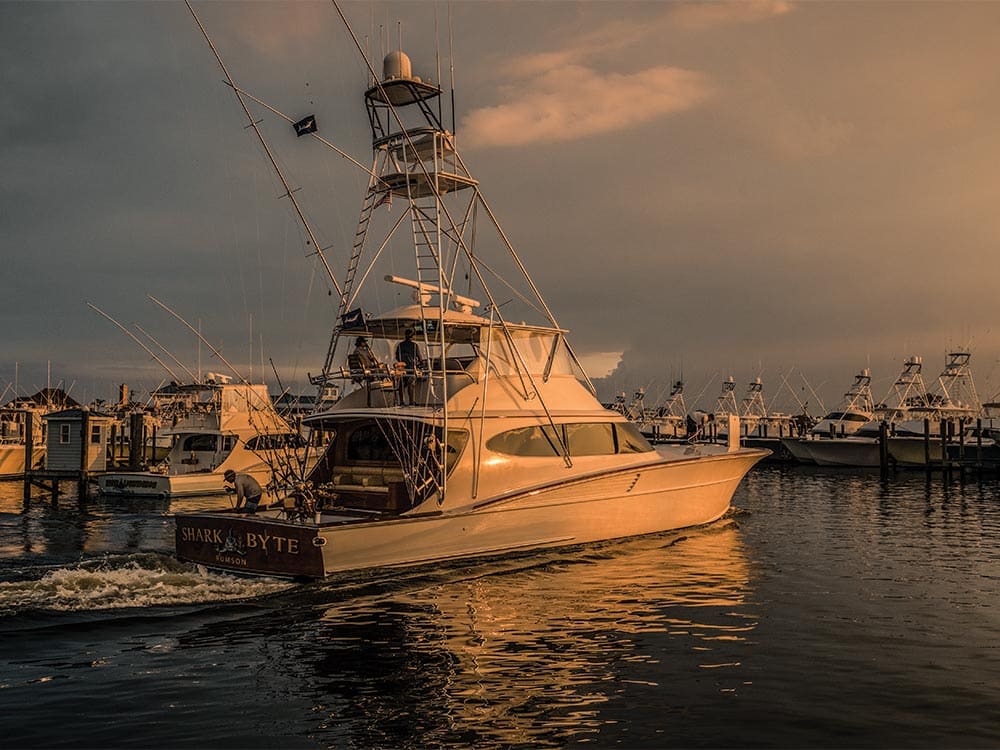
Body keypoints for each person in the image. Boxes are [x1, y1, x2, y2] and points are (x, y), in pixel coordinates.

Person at [394, 329, 424, 405]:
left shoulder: (400, 345)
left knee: (401, 385)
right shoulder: (414, 345)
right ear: (412, 336)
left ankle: (401, 402)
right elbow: (419, 357)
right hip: (411, 367)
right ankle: (411, 402)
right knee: (411, 385)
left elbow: (397, 356)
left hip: (402, 367)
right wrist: (421, 364)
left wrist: (402, 362)